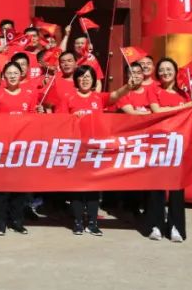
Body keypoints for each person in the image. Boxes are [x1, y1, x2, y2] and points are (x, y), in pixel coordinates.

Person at [55, 65, 136, 235]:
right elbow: (59, 121)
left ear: (93, 80)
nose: (85, 79)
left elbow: (115, 95)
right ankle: (77, 222)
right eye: (81, 76)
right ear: (76, 79)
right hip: (76, 150)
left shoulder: (98, 97)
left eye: (88, 77)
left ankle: (92, 223)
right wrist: (72, 118)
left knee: (93, 188)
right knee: (77, 188)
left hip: (95, 150)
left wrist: (128, 86)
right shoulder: (68, 98)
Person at [147, 57, 192, 242]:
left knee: (177, 188)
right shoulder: (154, 89)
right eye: (161, 70)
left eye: (169, 69)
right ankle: (156, 225)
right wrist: (180, 108)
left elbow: (190, 117)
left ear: (175, 72)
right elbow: (156, 111)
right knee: (156, 186)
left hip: (178, 144)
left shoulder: (184, 93)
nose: (165, 73)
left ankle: (176, 227)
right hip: (158, 143)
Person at [0, 62, 38, 236]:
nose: (12, 76)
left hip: (22, 148)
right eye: (8, 73)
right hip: (3, 148)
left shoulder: (29, 94)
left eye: (15, 73)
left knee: (20, 188)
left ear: (21, 75)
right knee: (2, 189)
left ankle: (17, 221)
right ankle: (0, 222)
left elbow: (33, 118)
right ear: (3, 76)